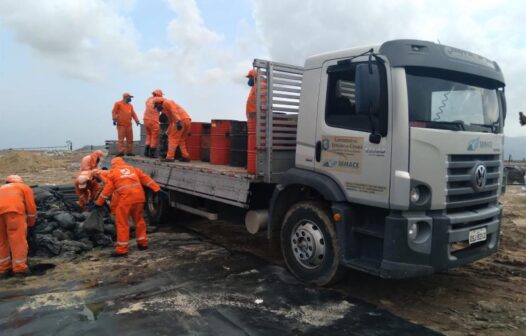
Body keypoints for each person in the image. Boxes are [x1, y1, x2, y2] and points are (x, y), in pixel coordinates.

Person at [94, 157, 160, 257]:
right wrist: (157, 189)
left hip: (126, 200)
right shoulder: (134, 169)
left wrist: (98, 203)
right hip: (139, 198)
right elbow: (146, 179)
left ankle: (122, 250)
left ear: (113, 165)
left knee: (122, 223)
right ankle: (143, 244)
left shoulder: (113, 173)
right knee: (139, 220)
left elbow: (107, 191)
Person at [0, 175, 37, 278]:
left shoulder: (1, 188)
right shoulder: (24, 187)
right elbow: (31, 207)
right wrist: (31, 222)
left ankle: (3, 269)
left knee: (2, 241)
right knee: (17, 240)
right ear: (20, 181)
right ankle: (20, 269)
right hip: (14, 213)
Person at [153, 97, 192, 162]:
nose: (156, 107)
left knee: (172, 139)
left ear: (159, 102)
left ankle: (170, 157)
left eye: (156, 105)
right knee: (181, 140)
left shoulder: (167, 102)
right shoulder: (166, 108)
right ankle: (186, 156)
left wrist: (178, 121)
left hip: (180, 120)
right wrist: (166, 132)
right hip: (186, 120)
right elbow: (171, 122)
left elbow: (174, 111)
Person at [112, 92, 140, 156]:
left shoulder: (130, 105)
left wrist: (137, 121)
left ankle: (129, 152)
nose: (130, 99)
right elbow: (114, 112)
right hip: (121, 125)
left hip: (129, 125)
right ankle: (121, 152)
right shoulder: (118, 103)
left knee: (130, 139)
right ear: (126, 97)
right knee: (121, 139)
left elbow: (133, 114)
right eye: (130, 97)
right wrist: (114, 119)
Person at [143, 89, 164, 158]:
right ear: (159, 94)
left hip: (146, 119)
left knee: (149, 135)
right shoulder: (159, 99)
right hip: (153, 120)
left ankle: (146, 152)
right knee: (155, 136)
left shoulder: (149, 99)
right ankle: (152, 153)